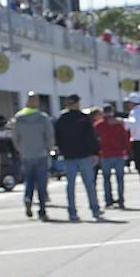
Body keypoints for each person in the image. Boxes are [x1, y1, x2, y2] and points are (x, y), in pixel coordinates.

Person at [52, 94, 104, 223]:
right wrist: (95, 152)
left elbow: (57, 138)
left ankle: (79, 211)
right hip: (79, 156)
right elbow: (91, 137)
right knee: (85, 184)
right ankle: (90, 210)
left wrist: (94, 152)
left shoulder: (66, 118)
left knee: (76, 185)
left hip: (74, 156)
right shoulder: (79, 118)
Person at [12, 95, 56, 221]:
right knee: (41, 183)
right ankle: (42, 210)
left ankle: (28, 199)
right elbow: (49, 136)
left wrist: (20, 149)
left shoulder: (19, 118)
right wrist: (49, 148)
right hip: (41, 154)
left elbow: (15, 137)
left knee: (29, 180)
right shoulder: (43, 118)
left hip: (26, 154)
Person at [93, 105, 132, 209]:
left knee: (106, 178)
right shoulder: (118, 124)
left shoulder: (98, 125)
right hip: (118, 154)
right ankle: (121, 200)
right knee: (120, 179)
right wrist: (127, 151)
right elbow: (125, 138)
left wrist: (96, 152)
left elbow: (94, 140)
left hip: (104, 154)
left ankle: (108, 201)